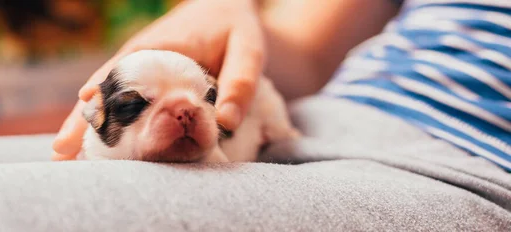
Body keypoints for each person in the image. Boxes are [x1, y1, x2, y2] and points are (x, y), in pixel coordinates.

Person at [51, 0, 510, 173]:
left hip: (466, 159)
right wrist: (227, 14)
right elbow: (306, 56)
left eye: (203, 98)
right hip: (328, 112)